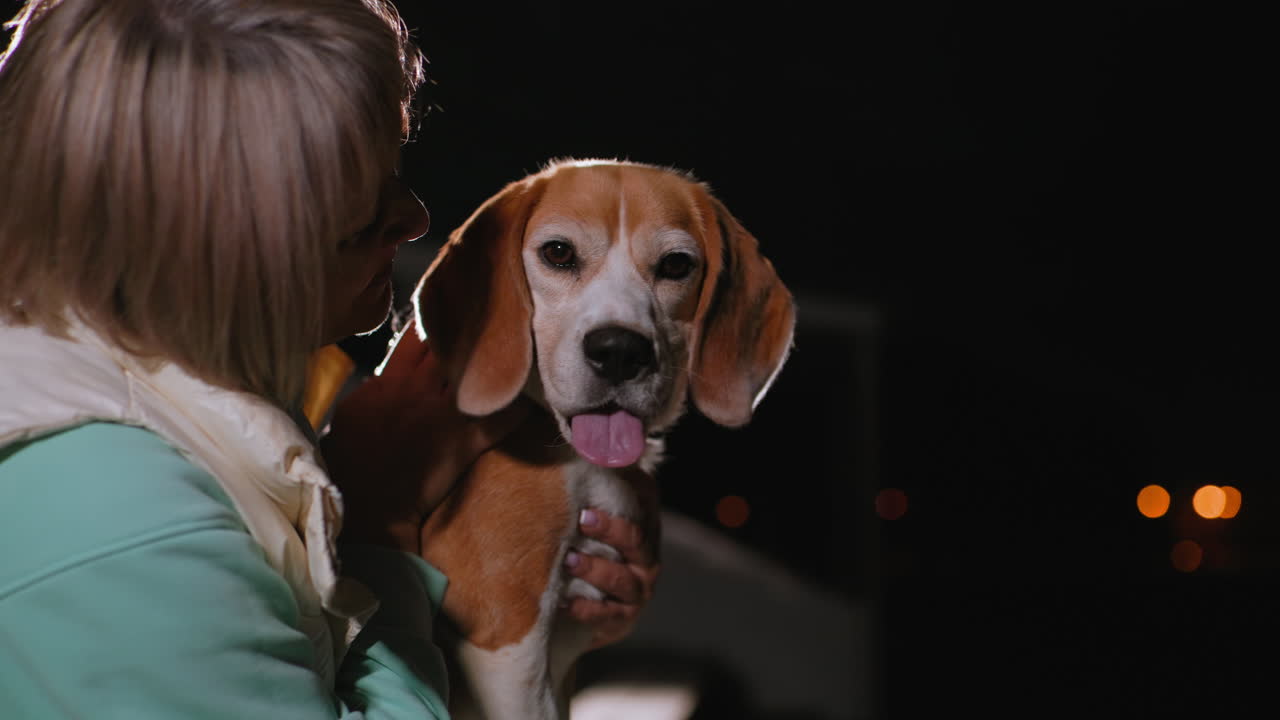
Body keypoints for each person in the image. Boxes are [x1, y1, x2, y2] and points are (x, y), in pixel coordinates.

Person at [0, 1, 658, 717]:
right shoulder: (131, 529)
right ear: (222, 257)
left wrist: (525, 614)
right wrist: (380, 517)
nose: (416, 218)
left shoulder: (171, 382)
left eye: (394, 168)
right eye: (363, 215)